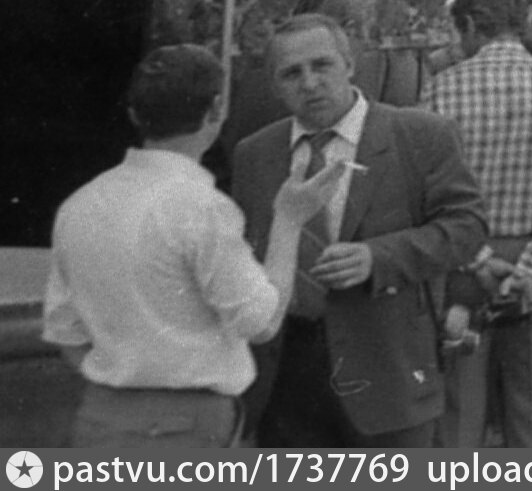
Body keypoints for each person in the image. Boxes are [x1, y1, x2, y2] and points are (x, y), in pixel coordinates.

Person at [44, 46, 346, 451]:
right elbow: (261, 323)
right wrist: (289, 220)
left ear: (134, 114)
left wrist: (125, 378)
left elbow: (66, 332)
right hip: (185, 424)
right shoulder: (202, 208)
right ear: (217, 109)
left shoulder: (79, 204)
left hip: (101, 415)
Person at [227, 10, 483, 448]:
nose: (310, 83)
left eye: (321, 65)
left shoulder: (419, 135)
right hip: (286, 381)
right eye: (292, 73)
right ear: (274, 86)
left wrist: (378, 258)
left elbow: (467, 227)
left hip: (388, 372)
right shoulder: (255, 155)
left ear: (349, 64)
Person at [423, 0, 532, 449]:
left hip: (463, 261)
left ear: (471, 25)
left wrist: (476, 258)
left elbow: (429, 189)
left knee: (458, 410)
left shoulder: (440, 90)